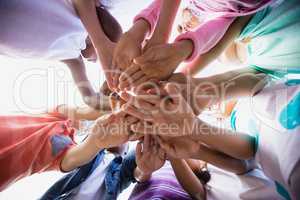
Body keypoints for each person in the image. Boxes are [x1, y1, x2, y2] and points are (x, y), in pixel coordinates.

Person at [112, 0, 276, 90]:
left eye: (180, 26)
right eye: (184, 30)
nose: (185, 27)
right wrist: (183, 49)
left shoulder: (194, 4)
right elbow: (222, 23)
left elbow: (160, 8)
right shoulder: (222, 15)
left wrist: (145, 30)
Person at [0, 0, 122, 108]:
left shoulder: (73, 58)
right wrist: (100, 43)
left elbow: (89, 98)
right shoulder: (78, 13)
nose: (97, 61)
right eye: (100, 56)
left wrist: (118, 103)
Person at [0, 97, 136, 191]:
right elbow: (83, 112)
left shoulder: (67, 150)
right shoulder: (55, 115)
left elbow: (79, 155)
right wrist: (121, 106)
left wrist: (96, 142)